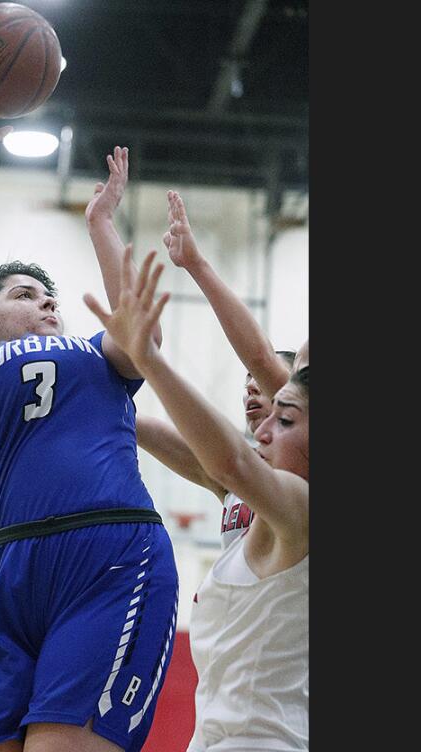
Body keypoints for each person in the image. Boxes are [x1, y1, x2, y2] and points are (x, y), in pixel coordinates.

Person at [0, 74, 180, 752]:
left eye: (50, 296)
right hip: (10, 572)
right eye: (24, 296)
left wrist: (103, 226)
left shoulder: (100, 356)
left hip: (109, 556)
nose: (46, 304)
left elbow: (143, 333)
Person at [84, 247, 309, 752]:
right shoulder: (248, 485)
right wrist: (87, 401)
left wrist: (150, 354)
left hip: (265, 751)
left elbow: (232, 450)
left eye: (284, 415)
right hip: (230, 732)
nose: (264, 415)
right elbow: (214, 456)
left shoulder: (294, 498)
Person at [85, 155, 294, 552]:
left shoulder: (299, 469)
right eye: (246, 385)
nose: (251, 389)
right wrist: (91, 403)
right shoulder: (241, 477)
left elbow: (262, 360)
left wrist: (196, 266)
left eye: (262, 387)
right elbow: (180, 445)